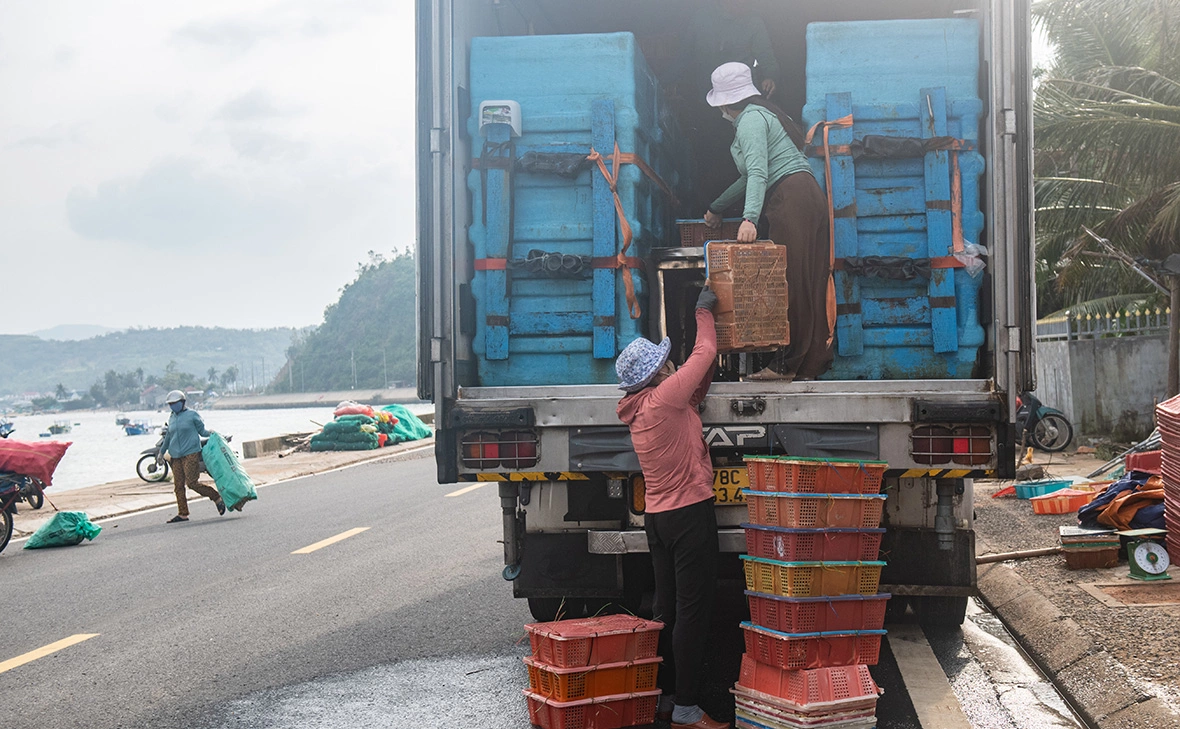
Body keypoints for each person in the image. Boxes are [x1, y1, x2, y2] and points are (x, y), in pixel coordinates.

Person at [615, 287, 727, 729]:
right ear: (658, 373)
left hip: (658, 520)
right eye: (665, 363)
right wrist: (702, 310)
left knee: (666, 611)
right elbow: (706, 351)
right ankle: (687, 709)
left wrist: (694, 374)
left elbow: (695, 391)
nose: (671, 364)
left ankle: (663, 699)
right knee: (692, 615)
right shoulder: (664, 398)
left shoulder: (642, 408)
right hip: (689, 516)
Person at [704, 61, 833, 381]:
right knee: (809, 282)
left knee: (789, 283)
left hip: (790, 199)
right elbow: (750, 176)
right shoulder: (763, 114)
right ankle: (809, 366)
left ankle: (785, 366)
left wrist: (749, 218)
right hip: (808, 194)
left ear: (724, 103)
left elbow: (759, 173)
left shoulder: (749, 121)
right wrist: (716, 207)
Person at [158, 390, 224, 523]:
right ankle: (183, 513)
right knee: (178, 486)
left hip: (191, 453)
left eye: (175, 403)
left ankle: (216, 497)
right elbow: (168, 437)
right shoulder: (172, 417)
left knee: (192, 483)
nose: (172, 406)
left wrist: (212, 434)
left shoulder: (192, 415)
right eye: (170, 404)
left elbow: (202, 431)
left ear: (182, 402)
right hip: (175, 455)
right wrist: (161, 452)